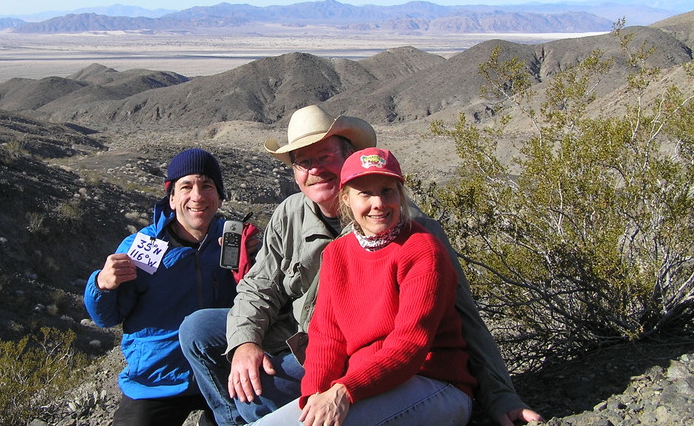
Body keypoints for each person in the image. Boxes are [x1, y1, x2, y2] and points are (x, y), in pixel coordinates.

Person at [180, 105, 543, 426]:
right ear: (294, 173)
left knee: (256, 395)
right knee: (200, 331)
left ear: (349, 156)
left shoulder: (415, 234)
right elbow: (260, 288)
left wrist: (500, 396)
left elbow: (461, 318)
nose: (316, 170)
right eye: (304, 162)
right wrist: (245, 343)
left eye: (325, 156)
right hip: (307, 340)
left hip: (372, 358)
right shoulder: (292, 215)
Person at [251, 147, 476, 425]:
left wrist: (345, 390)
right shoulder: (337, 254)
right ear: (346, 198)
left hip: (433, 383)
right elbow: (326, 338)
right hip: (364, 386)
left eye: (387, 191)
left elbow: (410, 345)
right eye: (365, 193)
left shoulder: (422, 249)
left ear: (400, 194)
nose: (378, 203)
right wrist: (315, 396)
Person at [84, 148, 259, 425]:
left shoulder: (236, 243)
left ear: (220, 196)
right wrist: (101, 284)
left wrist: (255, 261)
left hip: (223, 372)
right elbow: (106, 318)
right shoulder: (143, 247)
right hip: (157, 379)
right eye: (186, 186)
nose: (198, 196)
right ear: (172, 197)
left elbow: (262, 301)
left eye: (207, 186)